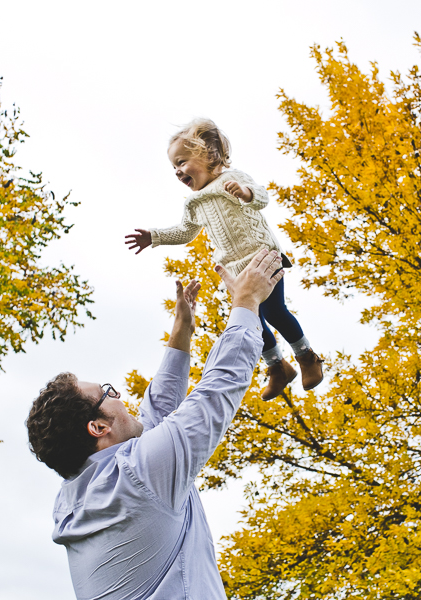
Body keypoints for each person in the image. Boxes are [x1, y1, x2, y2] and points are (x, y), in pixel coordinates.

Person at [26, 250, 284, 600]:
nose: (117, 393)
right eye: (107, 393)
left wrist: (181, 332)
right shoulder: (139, 476)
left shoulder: (77, 497)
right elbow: (216, 391)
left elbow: (153, 421)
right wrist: (247, 300)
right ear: (98, 428)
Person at [124, 118, 323, 400]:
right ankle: (278, 368)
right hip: (237, 271)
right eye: (174, 167)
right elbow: (185, 232)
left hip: (263, 257)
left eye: (182, 162)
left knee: (275, 311)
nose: (178, 171)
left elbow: (263, 197)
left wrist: (245, 194)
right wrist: (154, 237)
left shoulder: (232, 179)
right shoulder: (193, 203)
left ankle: (306, 358)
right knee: (251, 320)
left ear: (207, 155)